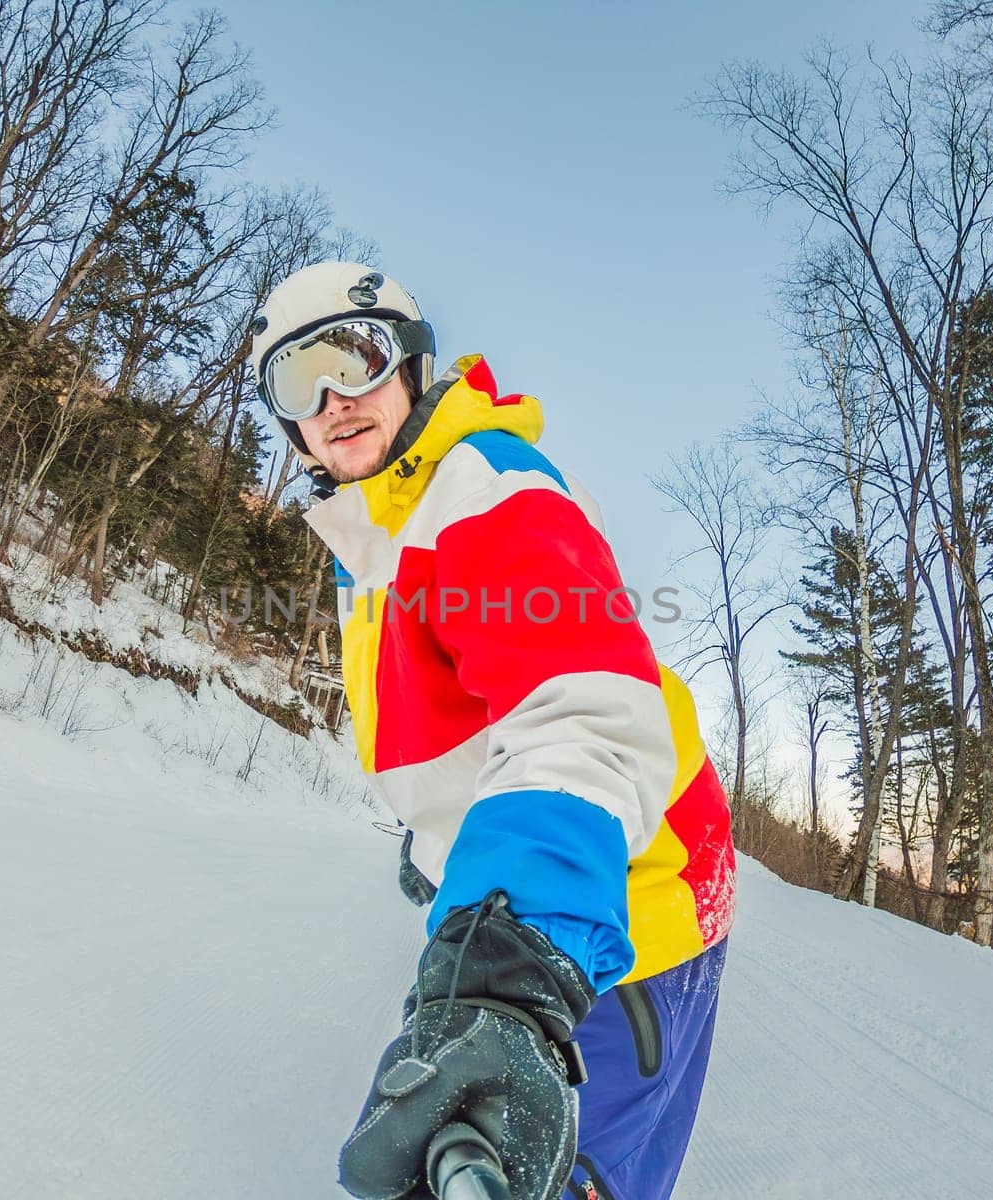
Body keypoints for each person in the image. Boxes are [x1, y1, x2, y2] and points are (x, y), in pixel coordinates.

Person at [251, 262, 736, 1200]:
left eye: (356, 359)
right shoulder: (381, 535)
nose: (333, 400)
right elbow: (471, 716)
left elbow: (583, 720)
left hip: (612, 908)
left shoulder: (478, 488)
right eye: (296, 382)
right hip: (577, 883)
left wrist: (509, 977)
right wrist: (439, 841)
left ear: (414, 367)